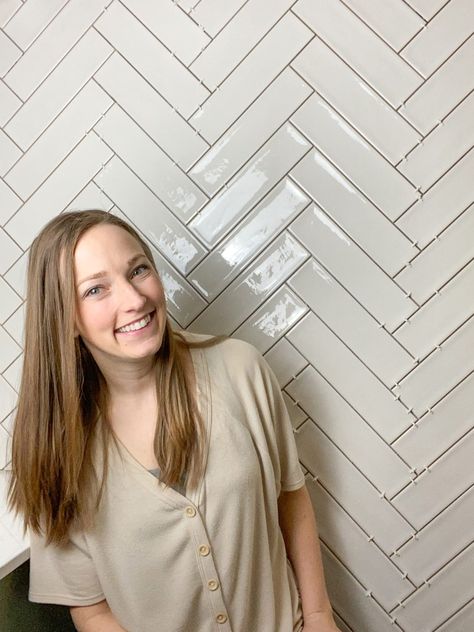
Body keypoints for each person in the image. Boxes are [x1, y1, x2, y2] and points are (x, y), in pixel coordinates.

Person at [7, 209, 340, 632]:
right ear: (65, 318)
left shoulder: (240, 369)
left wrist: (318, 617)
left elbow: (291, 502)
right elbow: (90, 610)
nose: (133, 299)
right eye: (96, 290)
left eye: (138, 270)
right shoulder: (56, 448)